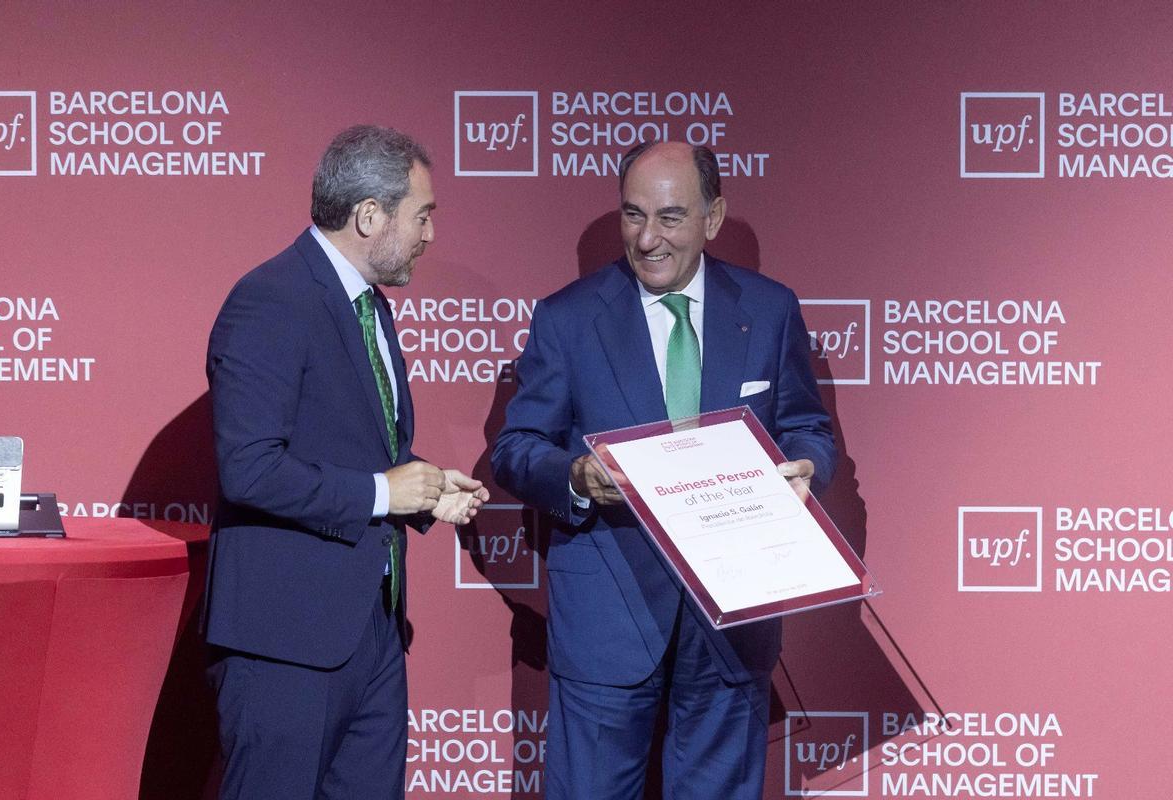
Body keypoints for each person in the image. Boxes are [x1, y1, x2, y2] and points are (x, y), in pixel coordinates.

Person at [492, 140, 836, 799]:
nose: (647, 239)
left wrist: (805, 468)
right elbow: (516, 447)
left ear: (713, 218)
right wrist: (576, 477)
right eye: (632, 215)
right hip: (607, 618)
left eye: (670, 217)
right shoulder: (566, 319)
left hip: (733, 619)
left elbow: (808, 426)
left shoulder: (769, 310)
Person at [203, 125, 488, 800]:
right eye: (422, 215)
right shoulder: (270, 299)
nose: (430, 234)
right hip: (285, 644)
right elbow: (248, 466)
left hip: (373, 632)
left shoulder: (368, 308)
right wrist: (382, 494)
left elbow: (352, 450)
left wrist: (423, 489)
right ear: (369, 216)